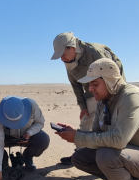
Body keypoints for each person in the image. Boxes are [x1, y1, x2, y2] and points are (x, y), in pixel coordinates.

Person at [51, 32, 125, 165]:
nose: (62, 59)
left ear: (72, 47)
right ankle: (81, 153)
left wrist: (110, 100)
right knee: (86, 120)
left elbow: (112, 75)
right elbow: (76, 85)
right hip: (91, 91)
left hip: (111, 89)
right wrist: (83, 107)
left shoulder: (94, 52)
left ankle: (115, 157)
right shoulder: (68, 59)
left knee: (109, 121)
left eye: (63, 54)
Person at [0, 96, 50, 180]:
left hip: (27, 136)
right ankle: (3, 161)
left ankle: (27, 157)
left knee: (43, 139)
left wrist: (29, 132)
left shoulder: (32, 105)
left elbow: (40, 122)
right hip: (7, 138)